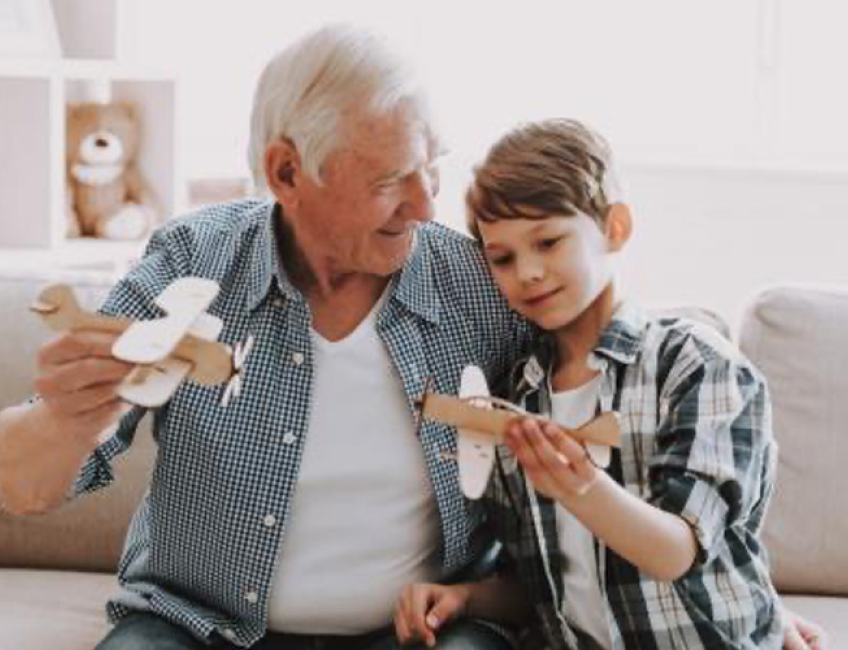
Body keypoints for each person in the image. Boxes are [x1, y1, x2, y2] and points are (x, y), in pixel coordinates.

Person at [0, 25, 533, 649]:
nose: (424, 206)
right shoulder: (192, 259)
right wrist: (68, 415)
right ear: (287, 173)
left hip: (418, 633)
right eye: (390, 181)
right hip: (197, 625)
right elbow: (21, 489)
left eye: (431, 168)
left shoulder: (477, 284)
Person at [393, 118, 828, 649]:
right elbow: (541, 583)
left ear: (615, 227)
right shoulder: (519, 392)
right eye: (502, 257)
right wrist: (467, 597)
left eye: (548, 241)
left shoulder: (696, 366)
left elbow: (677, 550)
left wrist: (581, 488)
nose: (527, 271)